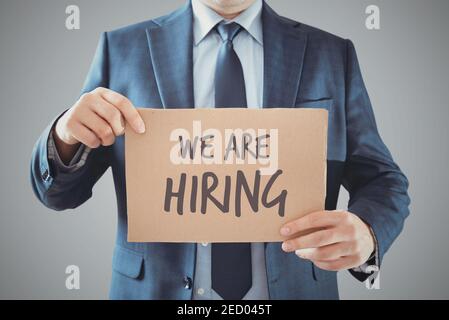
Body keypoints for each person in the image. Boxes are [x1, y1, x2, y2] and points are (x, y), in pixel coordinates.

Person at [30, 0, 410, 300]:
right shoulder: (122, 48)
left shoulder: (331, 53)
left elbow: (382, 179)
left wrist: (368, 231)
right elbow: (60, 194)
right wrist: (65, 135)